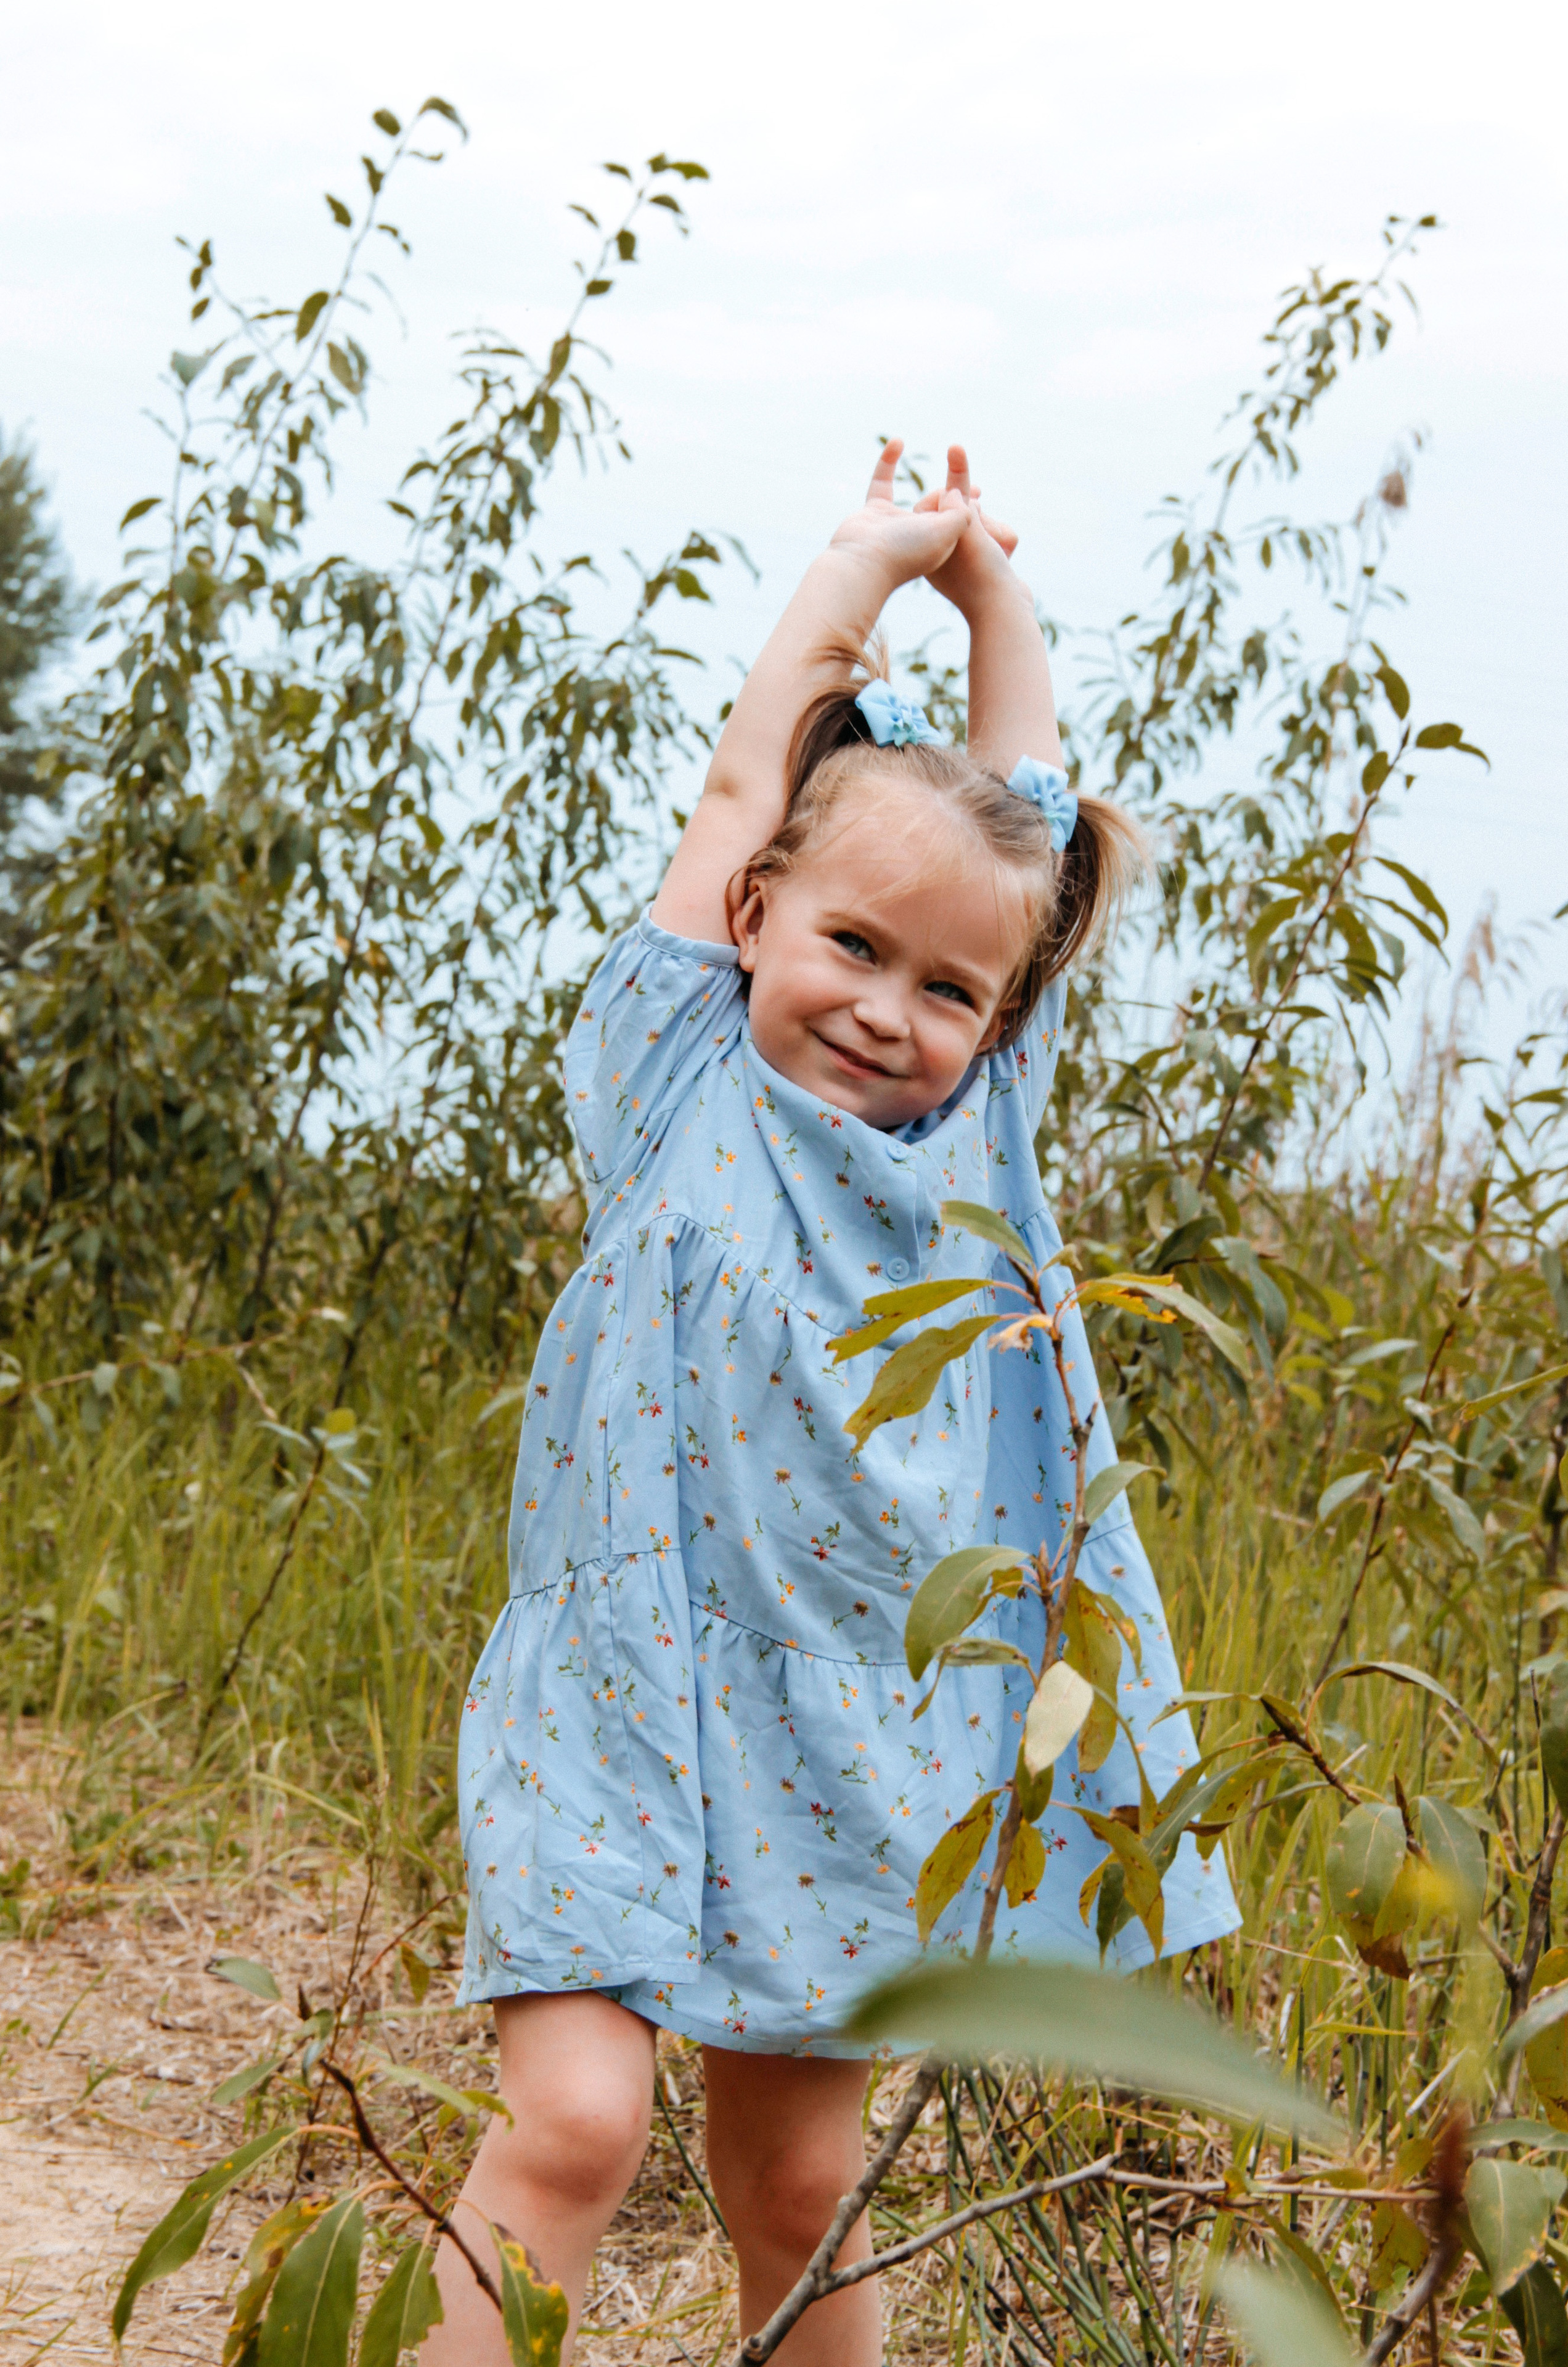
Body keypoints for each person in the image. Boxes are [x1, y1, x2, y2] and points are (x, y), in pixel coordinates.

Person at [428, 443, 1238, 2363]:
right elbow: (744, 773)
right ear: (761, 910)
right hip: (617, 1698)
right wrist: (877, 562)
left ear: (1003, 1017)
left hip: (843, 1737)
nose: (888, 1010)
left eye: (949, 988)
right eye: (851, 947)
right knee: (573, 2125)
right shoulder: (679, 1071)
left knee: (797, 2185)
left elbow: (1021, 811)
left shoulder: (979, 1142)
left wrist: (997, 595)